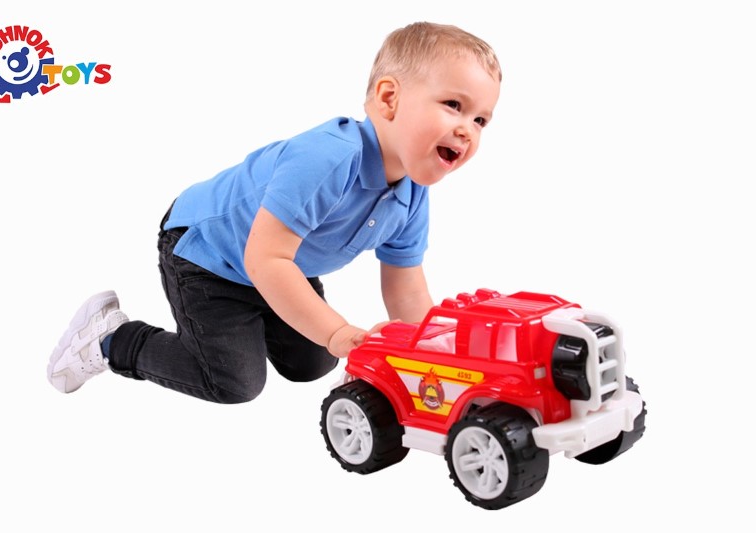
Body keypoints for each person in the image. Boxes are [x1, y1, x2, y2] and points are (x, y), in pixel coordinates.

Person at [47, 21, 502, 403]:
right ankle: (111, 338)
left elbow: (406, 288)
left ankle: (251, 319)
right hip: (209, 255)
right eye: (454, 106)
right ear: (388, 99)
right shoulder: (328, 159)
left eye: (481, 119)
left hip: (281, 264)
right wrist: (336, 331)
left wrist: (431, 355)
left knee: (313, 364)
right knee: (234, 383)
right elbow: (264, 258)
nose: (468, 130)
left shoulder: (412, 193)